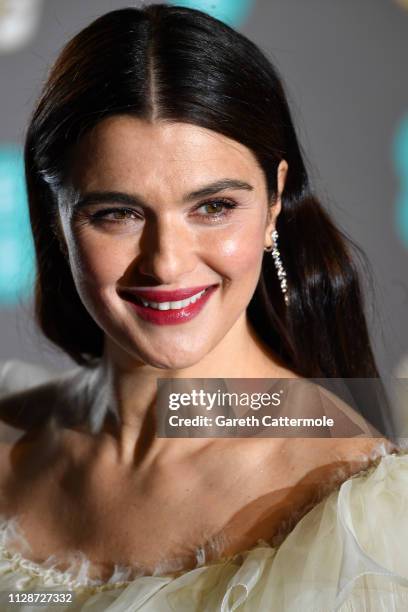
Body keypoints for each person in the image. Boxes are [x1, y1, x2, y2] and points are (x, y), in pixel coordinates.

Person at [0, 4, 407, 610]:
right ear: (57, 220)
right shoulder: (9, 436)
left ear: (274, 202)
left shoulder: (363, 512)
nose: (166, 263)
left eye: (213, 207)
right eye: (117, 213)